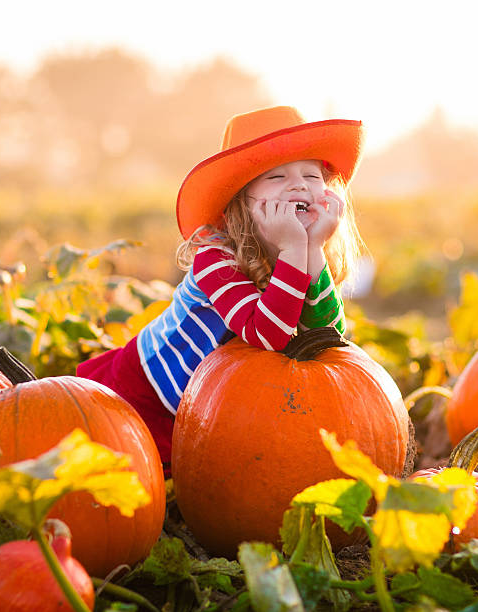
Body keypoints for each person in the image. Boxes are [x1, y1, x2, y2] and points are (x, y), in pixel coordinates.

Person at [76, 105, 366, 475]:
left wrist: (312, 251)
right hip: (146, 395)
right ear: (239, 204)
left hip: (209, 406)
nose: (298, 185)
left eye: (311, 175)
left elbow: (328, 337)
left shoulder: (303, 249)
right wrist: (295, 249)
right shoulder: (215, 257)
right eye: (276, 177)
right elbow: (268, 334)